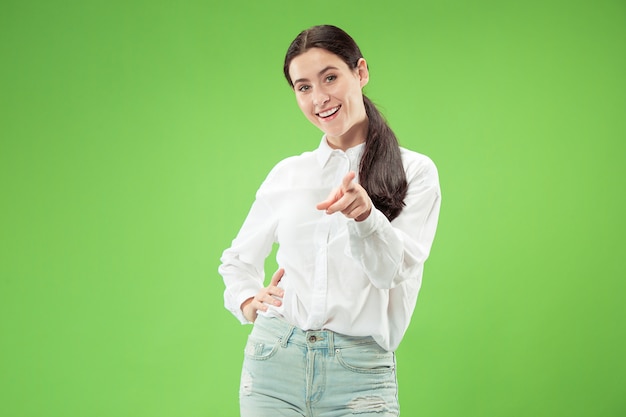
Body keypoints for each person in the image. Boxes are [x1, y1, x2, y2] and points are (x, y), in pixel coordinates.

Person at [219, 24, 441, 416]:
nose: (319, 98)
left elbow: (393, 273)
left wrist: (365, 216)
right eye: (303, 87)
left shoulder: (414, 172)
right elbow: (237, 260)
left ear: (361, 72)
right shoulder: (289, 174)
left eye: (330, 77)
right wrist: (249, 300)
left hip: (359, 373)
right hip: (273, 366)